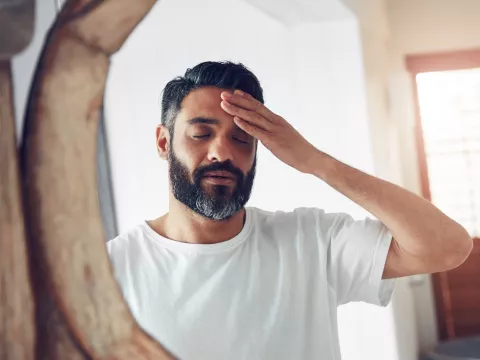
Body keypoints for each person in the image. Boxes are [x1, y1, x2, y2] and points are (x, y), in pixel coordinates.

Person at [107, 61, 472, 360]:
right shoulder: (110, 269)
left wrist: (316, 162)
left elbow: (448, 246)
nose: (222, 153)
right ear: (163, 142)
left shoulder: (311, 240)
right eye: (201, 134)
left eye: (241, 138)